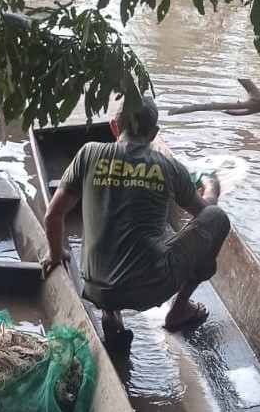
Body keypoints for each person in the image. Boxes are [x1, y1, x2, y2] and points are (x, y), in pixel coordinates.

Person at [39, 96, 231, 342]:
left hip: (96, 288)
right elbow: (206, 216)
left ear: (114, 127)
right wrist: (212, 187)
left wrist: (56, 254)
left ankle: (110, 310)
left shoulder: (88, 154)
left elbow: (53, 215)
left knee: (112, 221)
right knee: (218, 217)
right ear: (153, 134)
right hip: (149, 291)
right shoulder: (170, 168)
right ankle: (179, 308)